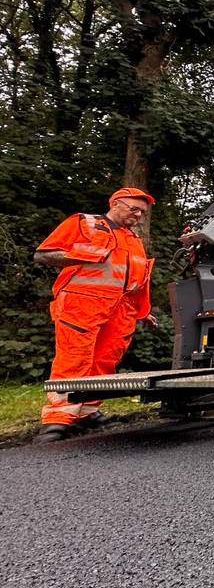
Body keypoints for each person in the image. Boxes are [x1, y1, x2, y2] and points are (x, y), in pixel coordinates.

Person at [32, 188, 157, 443]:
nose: (138, 215)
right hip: (82, 303)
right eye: (133, 209)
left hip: (120, 309)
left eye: (142, 212)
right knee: (73, 358)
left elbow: (137, 280)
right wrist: (82, 255)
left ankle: (87, 410)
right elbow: (43, 255)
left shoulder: (133, 239)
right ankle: (58, 418)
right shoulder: (85, 223)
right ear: (115, 204)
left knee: (105, 361)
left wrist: (143, 312)